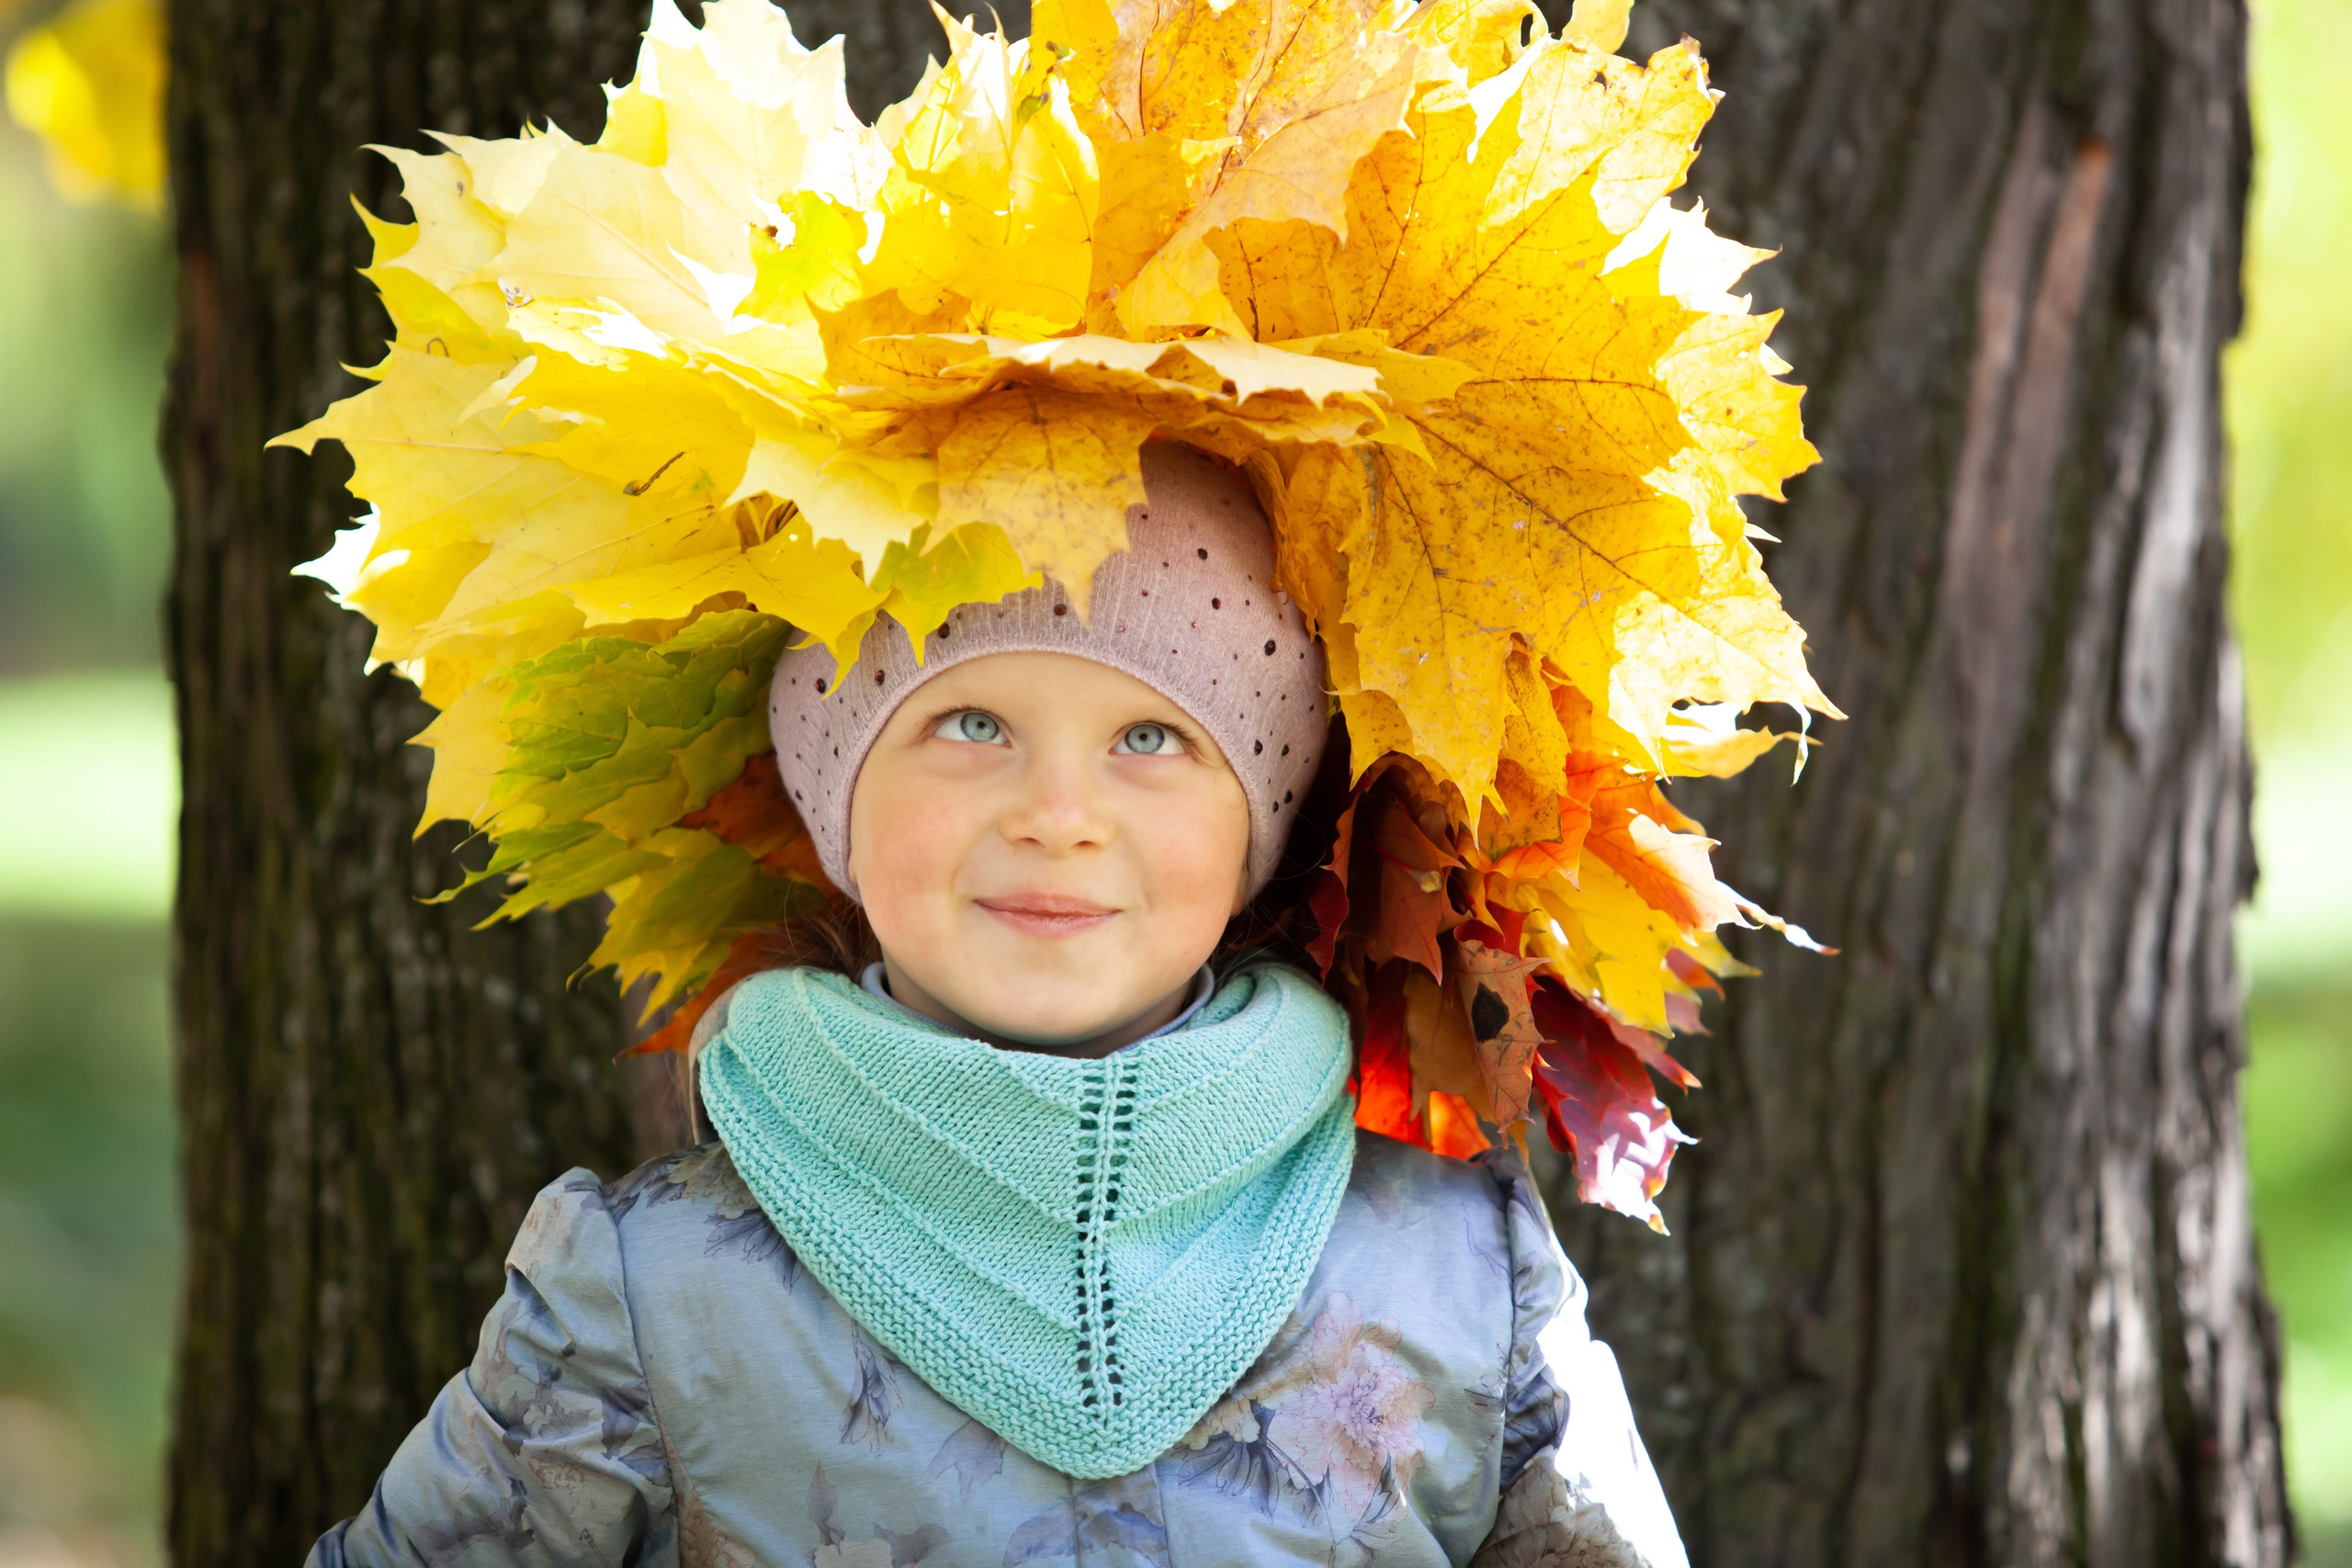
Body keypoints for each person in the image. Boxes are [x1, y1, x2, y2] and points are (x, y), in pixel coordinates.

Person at [304, 444, 1688, 1567]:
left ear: (1262, 827)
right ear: (833, 792)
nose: (1058, 817)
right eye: (970, 727)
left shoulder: (1461, 1277)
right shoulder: (646, 1293)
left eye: (1154, 739)